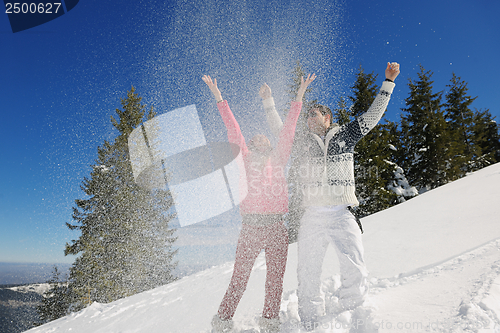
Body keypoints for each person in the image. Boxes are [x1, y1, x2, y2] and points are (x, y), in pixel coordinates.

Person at [263, 62, 400, 330]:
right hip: (312, 216)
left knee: (354, 266)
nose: (310, 117)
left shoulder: (344, 137)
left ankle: (353, 312)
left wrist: (388, 82)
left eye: (316, 113)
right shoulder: (301, 141)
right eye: (308, 114)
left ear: (328, 117)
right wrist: (269, 102)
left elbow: (372, 116)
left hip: (341, 213)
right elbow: (281, 131)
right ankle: (311, 322)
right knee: (308, 272)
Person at [202, 73, 316, 333]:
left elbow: (288, 128)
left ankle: (270, 322)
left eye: (264, 138)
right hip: (251, 228)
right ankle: (222, 321)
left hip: (277, 227)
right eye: (254, 140)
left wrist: (299, 95)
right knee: (239, 278)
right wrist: (218, 96)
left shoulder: (279, 158)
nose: (258, 139)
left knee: (275, 280)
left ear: (270, 144)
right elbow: (233, 129)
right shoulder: (243, 159)